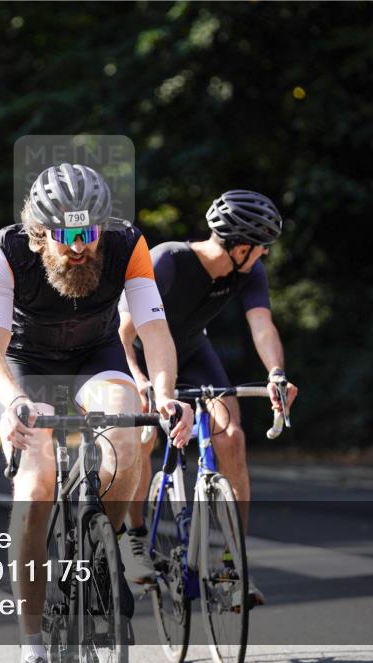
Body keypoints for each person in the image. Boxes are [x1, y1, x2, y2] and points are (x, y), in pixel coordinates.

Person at [0, 163, 194, 663]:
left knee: (126, 435)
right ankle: (32, 642)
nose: (81, 246)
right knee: (35, 487)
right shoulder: (6, 251)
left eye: (90, 232)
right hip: (27, 364)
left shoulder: (126, 244)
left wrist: (163, 394)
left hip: (96, 355)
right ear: (38, 236)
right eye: (68, 234)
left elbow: (155, 331)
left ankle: (102, 551)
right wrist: (13, 403)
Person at [117, 189, 299, 606]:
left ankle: (236, 561)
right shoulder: (168, 261)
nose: (265, 255)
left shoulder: (248, 271)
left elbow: (263, 326)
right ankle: (137, 539)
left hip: (194, 354)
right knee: (143, 440)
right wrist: (140, 381)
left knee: (232, 439)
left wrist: (276, 373)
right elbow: (123, 334)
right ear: (240, 247)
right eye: (261, 247)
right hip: (141, 354)